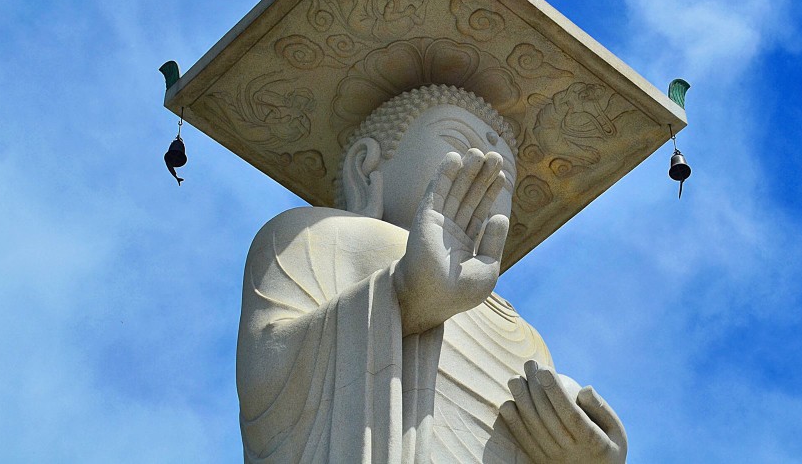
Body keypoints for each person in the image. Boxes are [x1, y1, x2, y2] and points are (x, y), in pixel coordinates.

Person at [237, 84, 627, 463]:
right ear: (366, 168)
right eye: (460, 146)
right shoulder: (312, 235)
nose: (489, 177)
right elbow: (268, 380)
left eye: (506, 177)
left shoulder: (524, 337)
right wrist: (407, 293)